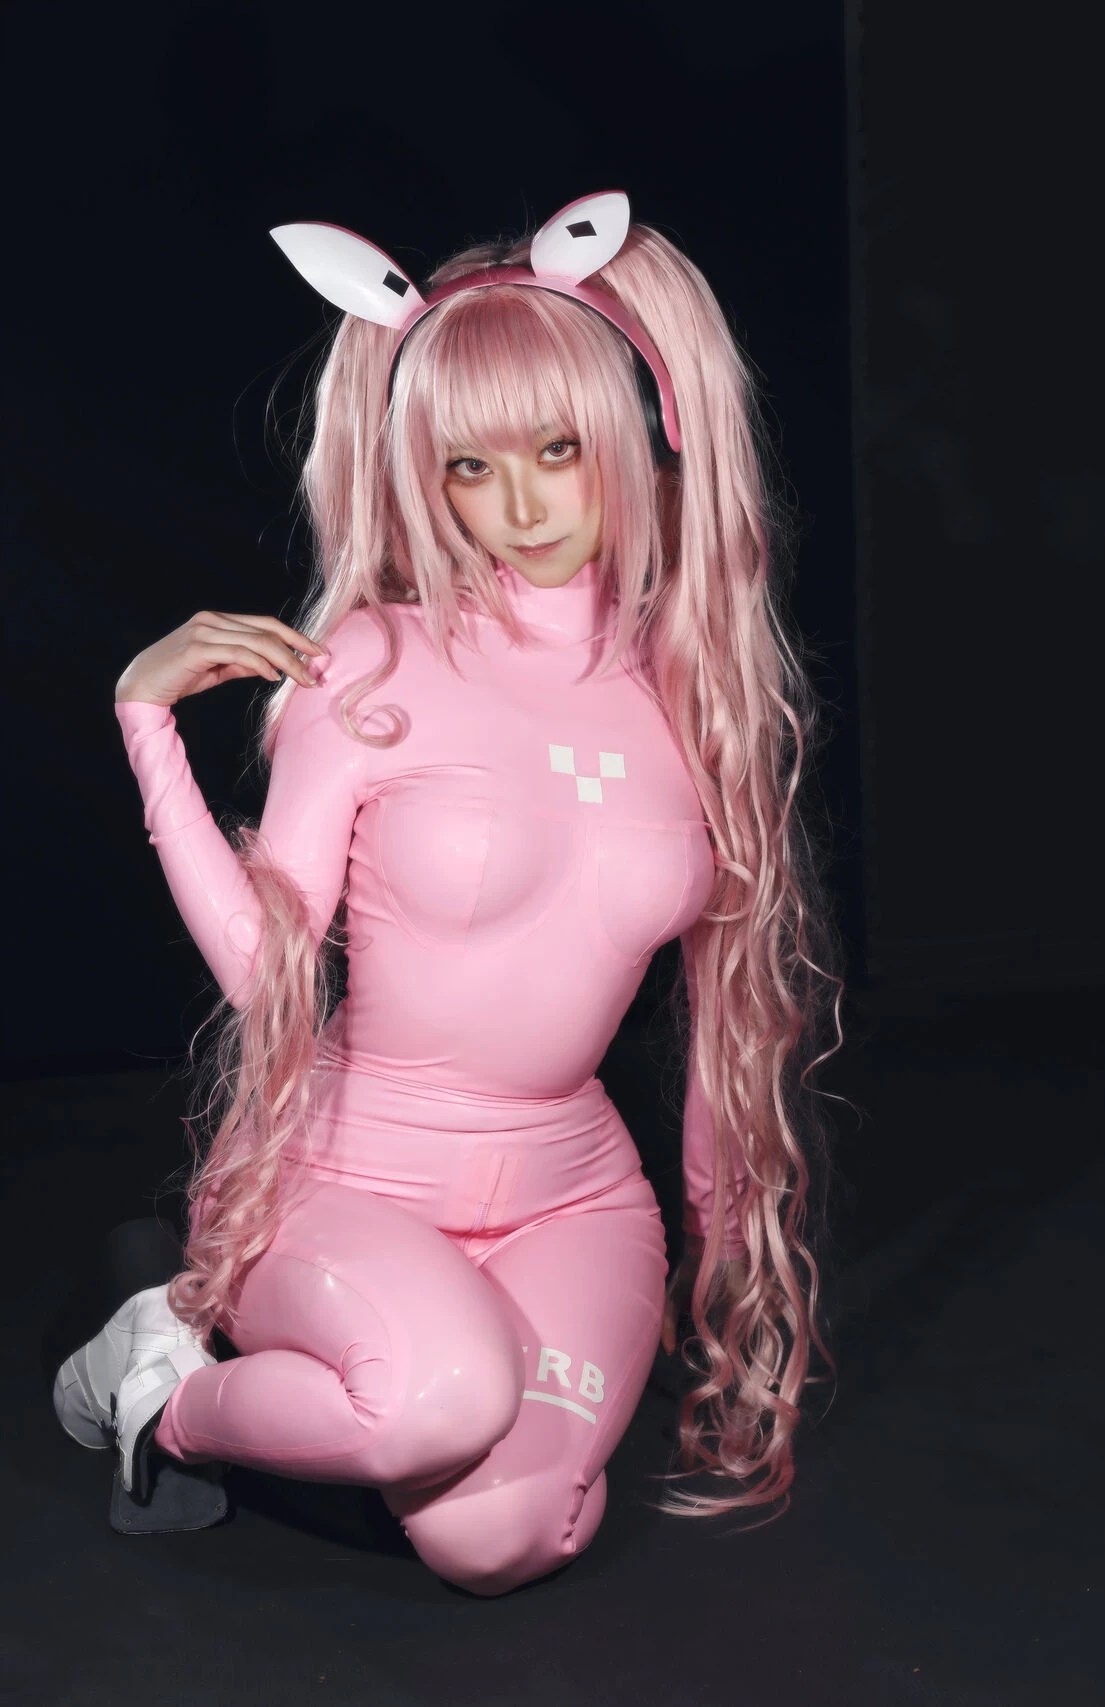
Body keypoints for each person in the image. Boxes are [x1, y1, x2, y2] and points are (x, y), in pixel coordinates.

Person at [53, 190, 846, 1595]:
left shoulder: (697, 700)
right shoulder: (378, 659)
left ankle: (402, 1370)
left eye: (558, 451)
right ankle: (162, 1393)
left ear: (634, 437)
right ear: (426, 476)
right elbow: (271, 972)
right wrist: (146, 725)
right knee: (435, 1404)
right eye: (471, 467)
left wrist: (724, 1266)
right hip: (348, 1174)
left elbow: (726, 1034)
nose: (522, 507)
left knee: (499, 1542)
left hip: (573, 1193)